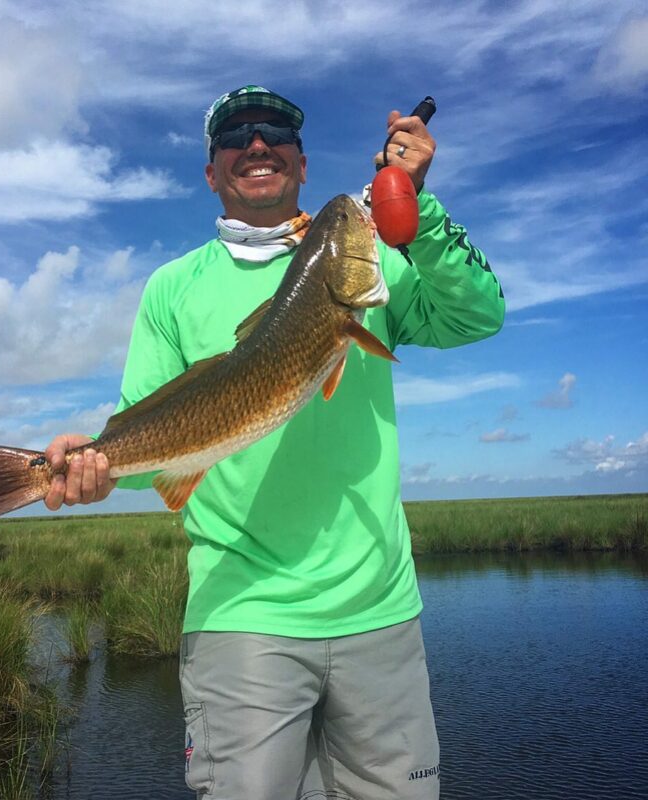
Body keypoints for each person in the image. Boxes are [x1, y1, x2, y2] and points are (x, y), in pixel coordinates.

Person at [44, 85, 505, 799]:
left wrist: (421, 208)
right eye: (235, 137)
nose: (256, 145)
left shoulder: (379, 267)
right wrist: (99, 467)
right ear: (211, 172)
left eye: (274, 134)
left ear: (302, 162)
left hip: (381, 609)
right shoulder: (172, 288)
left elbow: (478, 316)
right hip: (240, 617)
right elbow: (150, 436)